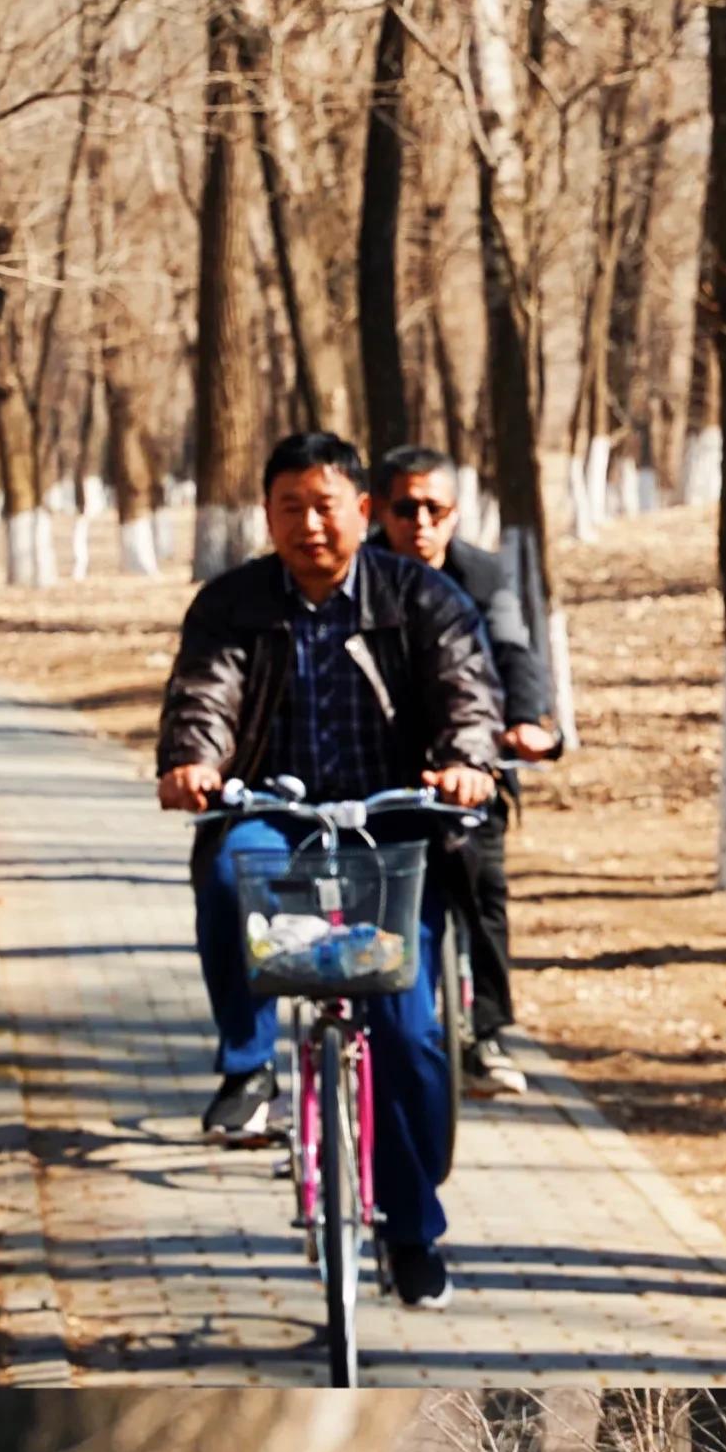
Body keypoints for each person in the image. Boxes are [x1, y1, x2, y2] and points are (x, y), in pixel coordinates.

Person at [156, 428, 500, 1311]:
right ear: (266, 515)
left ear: (361, 511)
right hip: (276, 815)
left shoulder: (423, 599)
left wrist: (466, 761)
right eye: (288, 508)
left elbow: (467, 691)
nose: (308, 524)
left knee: (411, 1034)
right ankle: (247, 1067)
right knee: (232, 876)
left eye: (325, 505)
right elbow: (207, 693)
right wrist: (196, 763)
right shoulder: (232, 603)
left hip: (393, 829)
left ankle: (413, 1232)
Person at [373, 443, 561, 1097]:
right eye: (406, 508)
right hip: (382, 769)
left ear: (456, 514)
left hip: (470, 765)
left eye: (435, 508)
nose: (420, 522)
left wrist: (531, 720)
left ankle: (486, 1034)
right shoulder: (357, 571)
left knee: (483, 886)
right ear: (380, 512)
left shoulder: (482, 576)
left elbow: (513, 650)